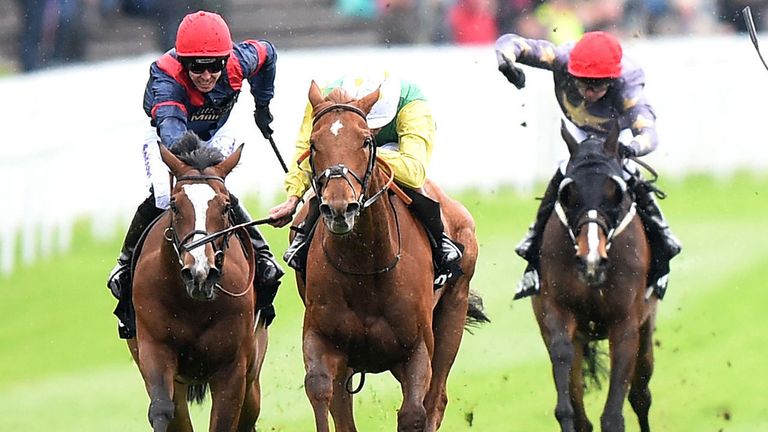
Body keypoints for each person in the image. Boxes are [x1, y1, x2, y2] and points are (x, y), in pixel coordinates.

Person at [106, 10, 284, 338]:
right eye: (197, 67)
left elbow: (268, 53)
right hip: (171, 136)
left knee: (216, 194)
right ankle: (125, 261)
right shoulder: (165, 78)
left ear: (225, 60)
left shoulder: (240, 60)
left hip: (218, 129)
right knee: (165, 194)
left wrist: (263, 106)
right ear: (184, 63)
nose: (206, 75)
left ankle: (261, 254)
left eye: (213, 65)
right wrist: (196, 170)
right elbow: (173, 134)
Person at [494, 31, 682, 300]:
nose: (589, 91)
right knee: (563, 172)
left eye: (597, 85)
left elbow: (649, 133)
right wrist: (506, 63)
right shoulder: (560, 58)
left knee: (631, 174)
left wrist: (631, 148)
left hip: (617, 134)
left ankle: (663, 241)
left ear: (613, 80)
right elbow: (512, 44)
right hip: (578, 132)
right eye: (583, 82)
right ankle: (533, 243)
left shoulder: (628, 83)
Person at [268, 71, 463, 287]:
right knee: (329, 179)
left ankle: (440, 242)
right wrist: (293, 197)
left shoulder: (413, 104)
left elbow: (414, 172)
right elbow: (306, 148)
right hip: (343, 144)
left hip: (391, 151)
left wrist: (358, 152)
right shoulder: (324, 100)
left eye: (377, 124)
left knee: (413, 186)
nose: (374, 129)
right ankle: (303, 239)